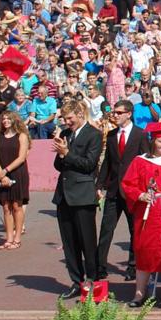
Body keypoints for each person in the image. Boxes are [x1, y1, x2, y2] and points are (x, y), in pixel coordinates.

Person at [120, 121, 161, 309]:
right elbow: (128, 184)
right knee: (144, 251)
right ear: (153, 141)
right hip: (147, 214)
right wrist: (140, 194)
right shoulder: (140, 161)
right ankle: (139, 293)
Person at [52, 99, 104, 299]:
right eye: (64, 118)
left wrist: (67, 153)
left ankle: (93, 280)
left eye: (70, 118)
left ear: (80, 113)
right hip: (64, 195)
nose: (67, 122)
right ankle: (76, 281)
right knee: (69, 242)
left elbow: (89, 165)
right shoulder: (65, 134)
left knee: (87, 242)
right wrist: (60, 152)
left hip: (83, 195)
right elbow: (58, 165)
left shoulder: (94, 134)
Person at [96, 100, 148, 282]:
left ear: (129, 113)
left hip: (133, 191)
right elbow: (108, 164)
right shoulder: (111, 135)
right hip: (113, 191)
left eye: (119, 112)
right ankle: (100, 266)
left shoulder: (140, 135)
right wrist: (99, 186)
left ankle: (133, 266)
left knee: (134, 230)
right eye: (114, 112)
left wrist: (144, 188)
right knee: (106, 229)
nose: (115, 115)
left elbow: (145, 163)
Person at [0, 110, 30, 250]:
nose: (6, 121)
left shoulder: (22, 136)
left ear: (14, 120)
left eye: (8, 118)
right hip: (2, 173)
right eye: (4, 119)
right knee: (6, 207)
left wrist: (6, 170)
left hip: (17, 173)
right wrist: (1, 173)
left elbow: (21, 157)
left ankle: (17, 238)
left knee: (16, 206)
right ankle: (8, 238)